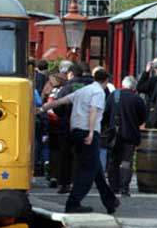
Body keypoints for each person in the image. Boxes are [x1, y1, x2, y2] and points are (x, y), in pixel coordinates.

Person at [44, 67, 118, 214]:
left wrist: (44, 107)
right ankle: (73, 203)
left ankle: (110, 201)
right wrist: (91, 132)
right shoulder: (98, 92)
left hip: (75, 131)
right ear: (106, 81)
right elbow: (93, 111)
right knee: (88, 170)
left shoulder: (84, 90)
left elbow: (63, 100)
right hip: (87, 131)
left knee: (95, 167)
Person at [106, 76, 148, 197]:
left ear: (123, 85)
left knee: (113, 160)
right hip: (130, 135)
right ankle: (124, 188)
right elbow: (142, 118)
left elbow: (106, 113)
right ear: (134, 87)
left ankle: (113, 187)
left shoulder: (113, 95)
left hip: (114, 134)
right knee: (126, 161)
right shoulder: (138, 100)